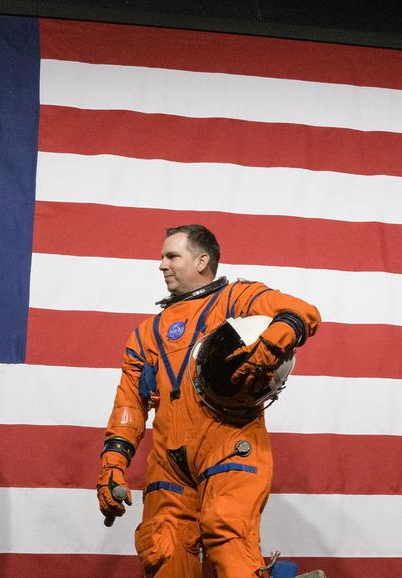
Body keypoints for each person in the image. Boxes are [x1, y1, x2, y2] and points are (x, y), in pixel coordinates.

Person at [96, 225, 320, 577]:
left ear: (202, 260)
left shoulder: (236, 299)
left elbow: (301, 313)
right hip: (170, 459)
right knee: (163, 552)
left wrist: (270, 346)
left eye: (171, 256)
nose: (161, 265)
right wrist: (112, 465)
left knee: (227, 533)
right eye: (162, 257)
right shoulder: (145, 336)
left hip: (230, 441)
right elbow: (129, 405)